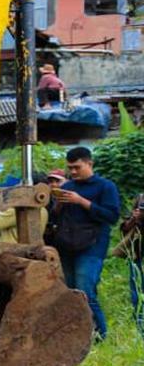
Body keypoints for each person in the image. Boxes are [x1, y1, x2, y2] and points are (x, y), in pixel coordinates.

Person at [51, 146, 121, 340]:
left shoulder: (106, 187)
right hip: (67, 245)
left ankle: (101, 335)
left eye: (77, 167)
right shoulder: (67, 187)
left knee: (85, 291)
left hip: (92, 246)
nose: (73, 172)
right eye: (70, 168)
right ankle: (78, 336)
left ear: (89, 164)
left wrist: (82, 201)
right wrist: (57, 206)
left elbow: (112, 216)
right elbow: (56, 218)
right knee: (71, 293)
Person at [112, 193, 144, 338]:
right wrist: (136, 218)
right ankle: (140, 327)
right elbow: (125, 230)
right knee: (137, 293)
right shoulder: (141, 198)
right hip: (137, 255)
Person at [0, 172, 49, 243]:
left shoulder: (19, 209)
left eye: (20, 185)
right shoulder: (43, 210)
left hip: (10, 250)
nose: (17, 187)